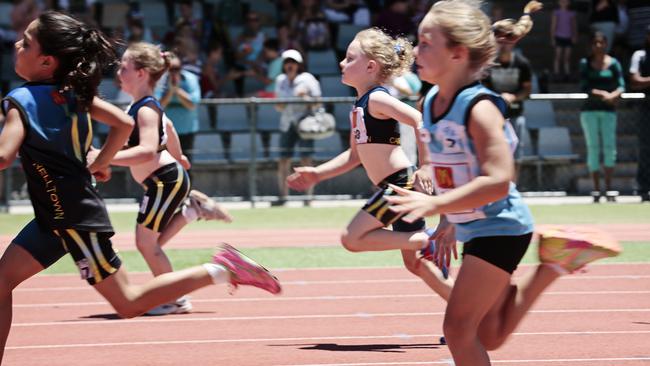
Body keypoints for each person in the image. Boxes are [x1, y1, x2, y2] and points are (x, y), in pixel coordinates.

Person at [0, 12, 281, 362]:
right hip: (54, 217)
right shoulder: (71, 95)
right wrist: (100, 162)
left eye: (26, 42)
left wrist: (100, 161)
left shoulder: (21, 100)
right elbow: (122, 122)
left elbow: (2, 156)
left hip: (73, 219)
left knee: (128, 303)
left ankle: (222, 269)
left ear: (46, 60)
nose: (16, 45)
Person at [384, 2, 619, 365]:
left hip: (500, 228)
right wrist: (448, 219)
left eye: (426, 43)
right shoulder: (431, 101)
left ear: (458, 54)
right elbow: (451, 170)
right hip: (475, 228)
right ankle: (553, 264)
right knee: (488, 335)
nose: (416, 51)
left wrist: (435, 206)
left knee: (459, 330)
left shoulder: (479, 107)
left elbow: (498, 180)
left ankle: (552, 265)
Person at [286, 28, 452, 299]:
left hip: (400, 184)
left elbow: (420, 120)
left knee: (351, 238)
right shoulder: (361, 104)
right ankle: (462, 310)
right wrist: (317, 174)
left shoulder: (377, 98)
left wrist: (426, 166)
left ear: (371, 66)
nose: (342, 63)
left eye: (350, 58)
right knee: (414, 264)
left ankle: (428, 238)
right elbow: (354, 157)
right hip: (393, 185)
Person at [97, 42, 234, 315]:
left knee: (146, 243)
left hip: (164, 181)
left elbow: (147, 149)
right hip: (164, 179)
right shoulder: (143, 106)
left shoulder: (144, 109)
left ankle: (175, 299)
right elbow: (168, 127)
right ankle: (191, 212)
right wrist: (179, 155)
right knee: (150, 244)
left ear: (142, 73)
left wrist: (104, 158)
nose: (118, 72)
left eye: (124, 67)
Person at [579, 31, 625, 203]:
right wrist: (602, 94)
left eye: (601, 42)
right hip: (589, 110)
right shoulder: (585, 63)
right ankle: (596, 189)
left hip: (609, 111)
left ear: (606, 44)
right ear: (592, 45)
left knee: (609, 148)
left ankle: (609, 188)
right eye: (595, 43)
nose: (598, 46)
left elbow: (621, 85)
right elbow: (584, 86)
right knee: (593, 147)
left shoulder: (614, 64)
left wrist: (613, 95)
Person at [273, 49, 321, 206]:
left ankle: (308, 198)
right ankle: (283, 197)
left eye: (292, 62)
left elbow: (318, 103)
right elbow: (278, 107)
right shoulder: (280, 80)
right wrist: (283, 102)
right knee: (283, 160)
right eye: (287, 62)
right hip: (286, 123)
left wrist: (304, 97)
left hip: (305, 123)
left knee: (306, 160)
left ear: (298, 64)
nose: (289, 65)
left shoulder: (308, 79)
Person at [156, 52, 201, 164]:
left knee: (186, 166)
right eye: (171, 69)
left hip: (187, 131)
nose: (174, 72)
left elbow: (192, 104)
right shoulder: (159, 81)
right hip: (165, 133)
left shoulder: (191, 79)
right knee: (165, 167)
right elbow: (158, 106)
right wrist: (170, 92)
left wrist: (177, 90)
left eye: (177, 68)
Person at [629, 25, 650, 202]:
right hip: (646, 106)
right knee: (645, 149)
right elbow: (635, 80)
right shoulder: (640, 55)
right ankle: (643, 187)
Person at [551, 0, 577, 80]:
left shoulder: (572, 13)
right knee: (558, 56)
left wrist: (574, 36)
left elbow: (574, 26)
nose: (564, 2)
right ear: (558, 2)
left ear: (569, 2)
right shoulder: (556, 12)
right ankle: (556, 74)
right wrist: (552, 38)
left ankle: (567, 74)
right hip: (559, 36)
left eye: (565, 1)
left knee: (567, 57)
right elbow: (553, 26)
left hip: (568, 37)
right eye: (562, 1)